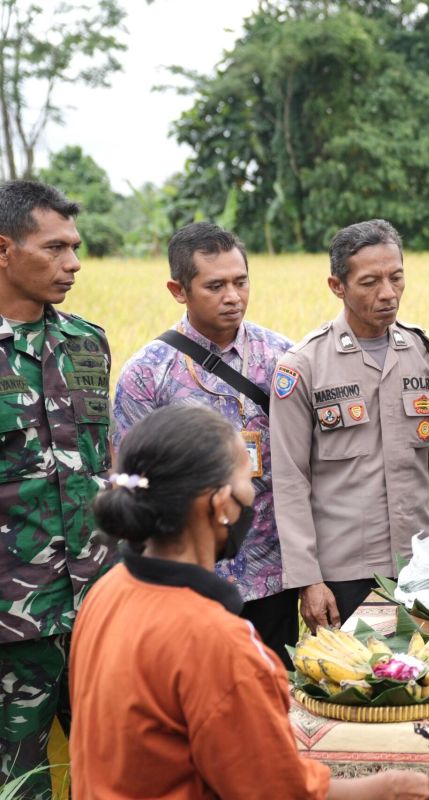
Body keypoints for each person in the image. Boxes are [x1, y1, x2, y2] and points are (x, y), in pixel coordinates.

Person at [69, 404, 429, 799]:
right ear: (220, 504)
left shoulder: (107, 592)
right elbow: (277, 791)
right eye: (248, 483)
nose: (252, 498)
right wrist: (387, 788)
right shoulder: (217, 643)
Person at [112, 222, 298, 666]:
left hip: (273, 573)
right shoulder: (146, 374)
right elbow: (130, 483)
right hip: (190, 582)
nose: (232, 296)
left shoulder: (284, 358)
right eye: (215, 285)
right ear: (179, 290)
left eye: (241, 281)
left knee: (275, 700)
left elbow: (308, 466)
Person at [272, 219, 429, 632]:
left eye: (396, 277)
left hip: (419, 563)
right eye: (370, 282)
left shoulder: (424, 353)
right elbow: (290, 479)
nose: (388, 293)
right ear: (337, 286)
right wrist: (308, 580)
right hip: (343, 573)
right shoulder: (304, 366)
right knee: (354, 688)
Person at [0, 180, 114, 797]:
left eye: (75, 247)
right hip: (12, 628)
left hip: (98, 611)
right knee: (20, 783)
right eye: (54, 248)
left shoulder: (86, 343)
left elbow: (103, 466)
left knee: (118, 772)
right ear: (3, 250)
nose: (73, 264)